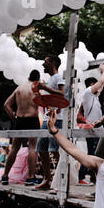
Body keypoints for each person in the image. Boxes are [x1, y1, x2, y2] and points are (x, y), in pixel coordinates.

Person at [1, 70, 42, 186]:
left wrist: (14, 118)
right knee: (32, 148)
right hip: (32, 119)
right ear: (37, 79)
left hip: (20, 120)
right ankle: (30, 178)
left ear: (28, 77)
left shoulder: (19, 88)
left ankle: (5, 176)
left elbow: (6, 105)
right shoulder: (36, 88)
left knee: (14, 148)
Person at [35, 56, 66, 190]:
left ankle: (59, 181)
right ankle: (47, 179)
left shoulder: (58, 77)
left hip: (57, 118)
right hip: (48, 117)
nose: (43, 64)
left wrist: (45, 88)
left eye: (46, 62)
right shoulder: (51, 79)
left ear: (53, 63)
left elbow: (62, 94)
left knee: (54, 150)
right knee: (41, 148)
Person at [78, 64, 104, 185]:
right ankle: (90, 177)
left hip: (96, 129)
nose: (99, 88)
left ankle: (89, 177)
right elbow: (101, 82)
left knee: (92, 153)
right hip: (91, 129)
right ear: (92, 85)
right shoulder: (87, 93)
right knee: (93, 154)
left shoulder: (94, 98)